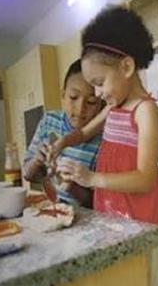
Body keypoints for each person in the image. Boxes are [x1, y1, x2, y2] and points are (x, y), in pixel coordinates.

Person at [54, 5, 158, 224]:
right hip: (109, 210)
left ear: (126, 67)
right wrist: (61, 143)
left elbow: (145, 179)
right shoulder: (113, 108)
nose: (97, 93)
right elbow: (84, 133)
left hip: (136, 217)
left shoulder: (145, 110)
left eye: (99, 83)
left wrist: (92, 178)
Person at [22, 59, 103, 207]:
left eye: (91, 101)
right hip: (48, 208)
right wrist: (37, 161)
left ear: (101, 104)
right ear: (63, 95)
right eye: (73, 97)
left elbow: (97, 203)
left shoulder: (103, 138)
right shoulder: (49, 120)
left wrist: (71, 185)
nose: (80, 109)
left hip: (82, 219)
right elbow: (27, 174)